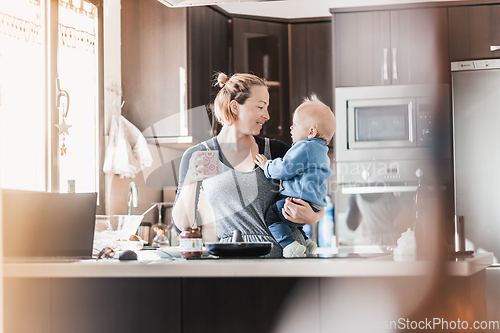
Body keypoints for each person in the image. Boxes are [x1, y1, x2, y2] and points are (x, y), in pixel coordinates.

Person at [171, 73, 324, 257]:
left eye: (267, 107)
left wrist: (315, 216)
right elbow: (183, 226)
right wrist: (191, 179)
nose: (267, 115)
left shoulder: (275, 151)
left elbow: (313, 190)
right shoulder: (201, 155)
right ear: (235, 107)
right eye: (260, 107)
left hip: (287, 262)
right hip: (231, 264)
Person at [254, 96, 335, 257]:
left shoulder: (304, 147)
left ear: (311, 131)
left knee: (273, 216)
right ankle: (306, 242)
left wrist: (267, 166)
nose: (291, 127)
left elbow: (285, 168)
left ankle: (290, 245)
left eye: (296, 124)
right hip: (314, 203)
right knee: (290, 222)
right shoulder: (321, 151)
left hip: (298, 199)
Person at [345, 192, 414, 246]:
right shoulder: (392, 183)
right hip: (399, 243)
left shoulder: (356, 191)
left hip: (375, 246)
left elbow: (351, 225)